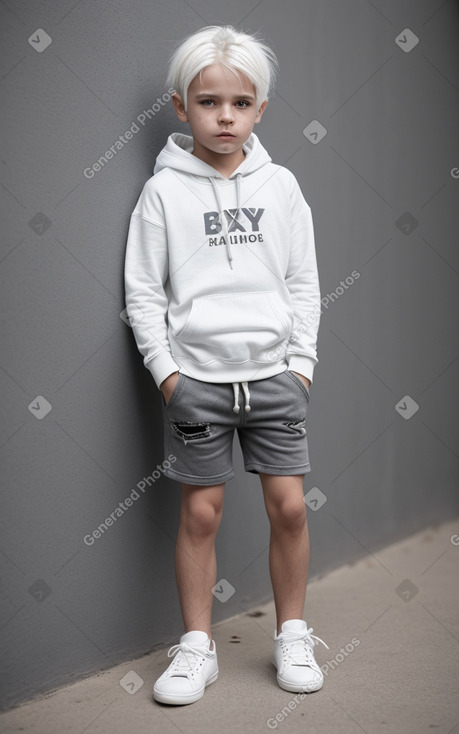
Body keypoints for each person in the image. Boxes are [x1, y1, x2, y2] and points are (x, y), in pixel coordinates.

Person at [124, 24, 327, 706]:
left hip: (274, 377)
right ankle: (196, 648)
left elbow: (303, 281)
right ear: (181, 107)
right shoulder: (164, 194)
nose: (224, 117)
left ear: (259, 110)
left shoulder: (281, 186)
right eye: (208, 102)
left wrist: (299, 365)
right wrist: (167, 375)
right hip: (197, 387)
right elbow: (143, 293)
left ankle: (292, 634)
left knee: (290, 507)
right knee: (201, 515)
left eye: (240, 104)